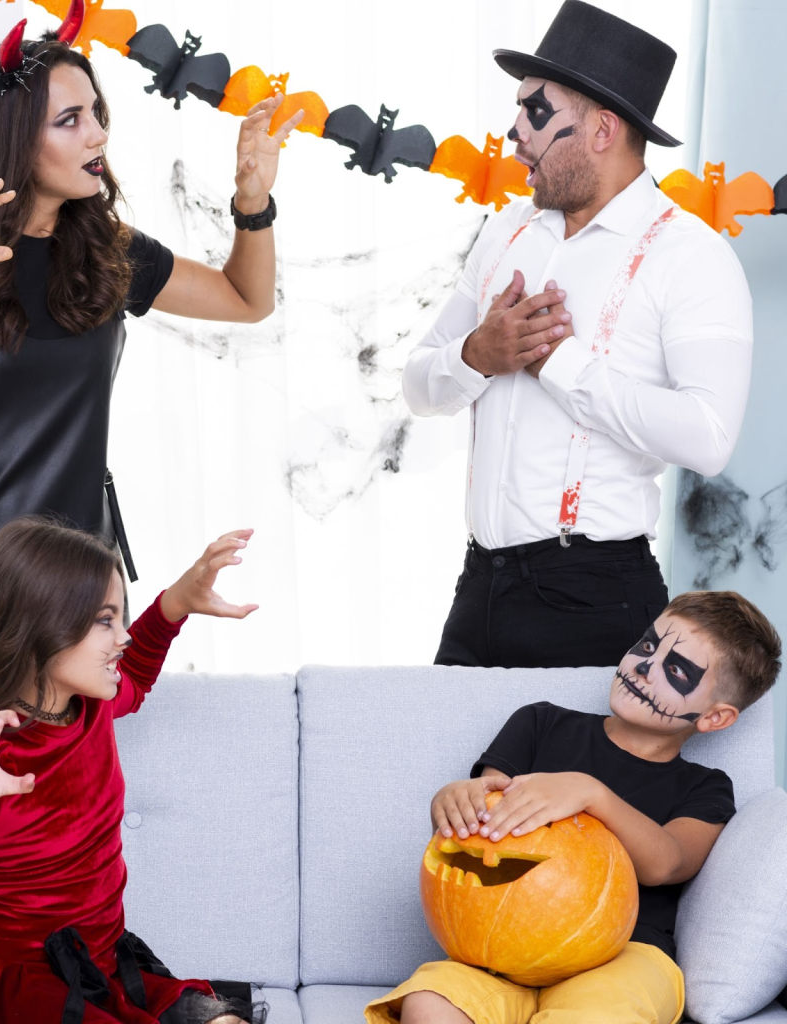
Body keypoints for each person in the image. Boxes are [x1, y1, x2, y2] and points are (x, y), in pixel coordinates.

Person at [0, 5, 302, 669]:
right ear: (12, 137)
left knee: (71, 769)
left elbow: (247, 301)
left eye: (97, 112)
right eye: (70, 120)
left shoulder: (109, 251)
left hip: (76, 581)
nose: (98, 134)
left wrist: (252, 202)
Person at [404, 0, 753, 668]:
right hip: (478, 589)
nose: (514, 133)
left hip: (596, 598)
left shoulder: (690, 255)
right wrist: (479, 353)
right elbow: (420, 385)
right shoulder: (503, 232)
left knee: (575, 777)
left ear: (601, 130)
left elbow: (708, 438)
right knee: (448, 776)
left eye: (535, 112)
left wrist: (558, 363)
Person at [0, 516, 262, 1023]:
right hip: (9, 988)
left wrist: (177, 603)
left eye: (120, 618)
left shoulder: (89, 702)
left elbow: (137, 676)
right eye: (105, 620)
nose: (122, 637)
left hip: (96, 968)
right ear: (43, 624)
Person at [364, 590, 781, 1024]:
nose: (643, 666)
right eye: (647, 646)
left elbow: (669, 863)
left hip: (624, 957)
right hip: (503, 952)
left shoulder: (705, 786)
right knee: (428, 1003)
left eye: (674, 669)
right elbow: (487, 817)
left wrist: (590, 793)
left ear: (715, 718)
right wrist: (453, 801)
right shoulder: (540, 724)